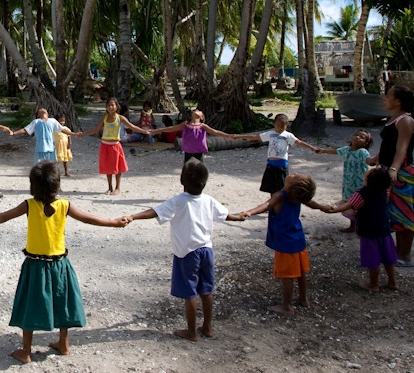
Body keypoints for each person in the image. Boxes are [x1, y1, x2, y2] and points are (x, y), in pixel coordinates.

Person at [0, 162, 129, 363]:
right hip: (60, 264)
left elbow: (3, 217)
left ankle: (26, 351)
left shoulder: (29, 205)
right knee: (62, 302)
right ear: (57, 186)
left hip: (35, 265)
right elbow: (88, 219)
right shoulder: (64, 205)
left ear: (33, 186)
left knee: (30, 304)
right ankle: (63, 343)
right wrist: (113, 222)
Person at [122, 159, 245, 341]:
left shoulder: (178, 202)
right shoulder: (208, 200)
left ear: (182, 181)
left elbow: (155, 212)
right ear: (205, 181)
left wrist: (133, 216)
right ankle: (208, 327)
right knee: (206, 291)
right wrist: (238, 217)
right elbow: (225, 214)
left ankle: (192, 332)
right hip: (206, 251)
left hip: (187, 254)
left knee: (190, 294)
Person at [240, 173, 326, 315]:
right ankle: (303, 299)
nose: (294, 173)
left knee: (288, 275)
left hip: (286, 241)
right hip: (298, 238)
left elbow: (267, 205)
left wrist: (249, 212)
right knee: (300, 272)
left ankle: (287, 306)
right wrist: (322, 207)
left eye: (296, 177)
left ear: (292, 186)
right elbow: (311, 202)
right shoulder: (298, 196)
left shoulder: (281, 195)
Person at [367, 85, 414, 267]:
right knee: (393, 213)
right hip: (389, 168)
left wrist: (394, 169)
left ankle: (405, 255)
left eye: (388, 95)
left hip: (403, 172)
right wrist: (375, 159)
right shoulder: (393, 119)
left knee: (404, 212)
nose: (385, 98)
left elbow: (401, 148)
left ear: (398, 101)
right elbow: (388, 145)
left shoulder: (405, 121)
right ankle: (396, 252)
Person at [323, 167, 399, 292]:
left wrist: (334, 210)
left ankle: (373, 284)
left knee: (373, 259)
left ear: (368, 181)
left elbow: (350, 204)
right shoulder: (384, 191)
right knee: (388, 257)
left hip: (369, 230)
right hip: (384, 229)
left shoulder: (362, 193)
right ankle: (392, 282)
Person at [78, 97, 151, 195]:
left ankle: (117, 187)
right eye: (108, 105)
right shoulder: (104, 117)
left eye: (113, 105)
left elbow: (132, 126)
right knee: (108, 167)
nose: (110, 107)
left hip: (115, 145)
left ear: (117, 106)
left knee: (117, 167)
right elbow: (96, 129)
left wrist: (144, 131)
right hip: (105, 145)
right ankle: (110, 187)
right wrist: (84, 133)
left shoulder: (120, 118)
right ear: (106, 107)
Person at [236, 114, 321, 195]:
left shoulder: (288, 136)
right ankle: (273, 205)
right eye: (278, 125)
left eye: (282, 126)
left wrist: (312, 147)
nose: (279, 128)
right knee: (271, 188)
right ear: (274, 124)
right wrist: (239, 137)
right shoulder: (270, 134)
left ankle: (281, 203)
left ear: (286, 126)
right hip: (270, 165)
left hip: (282, 166)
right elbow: (256, 137)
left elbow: (298, 142)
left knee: (283, 187)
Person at [316, 129, 373, 232]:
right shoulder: (347, 149)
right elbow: (336, 151)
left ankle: (361, 226)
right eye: (356, 135)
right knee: (350, 204)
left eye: (362, 137)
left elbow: (368, 161)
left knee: (359, 204)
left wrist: (374, 161)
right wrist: (323, 151)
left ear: (365, 143)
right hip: (348, 183)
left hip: (359, 184)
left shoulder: (362, 152)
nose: (358, 137)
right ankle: (353, 225)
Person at [153, 109, 238, 163]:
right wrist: (158, 130)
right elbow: (172, 128)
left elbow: (215, 132)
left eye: (199, 111)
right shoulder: (186, 124)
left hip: (198, 152)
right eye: (195, 110)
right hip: (188, 152)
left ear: (201, 117)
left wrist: (228, 136)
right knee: (187, 170)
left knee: (198, 170)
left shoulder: (203, 126)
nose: (196, 110)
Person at [11, 108, 78, 164]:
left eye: (44, 109)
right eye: (40, 109)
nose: (42, 109)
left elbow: (62, 129)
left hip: (51, 148)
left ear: (47, 114)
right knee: (39, 165)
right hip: (41, 148)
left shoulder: (53, 121)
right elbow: (25, 130)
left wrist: (74, 134)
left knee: (51, 165)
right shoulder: (36, 122)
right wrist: (13, 133)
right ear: (38, 115)